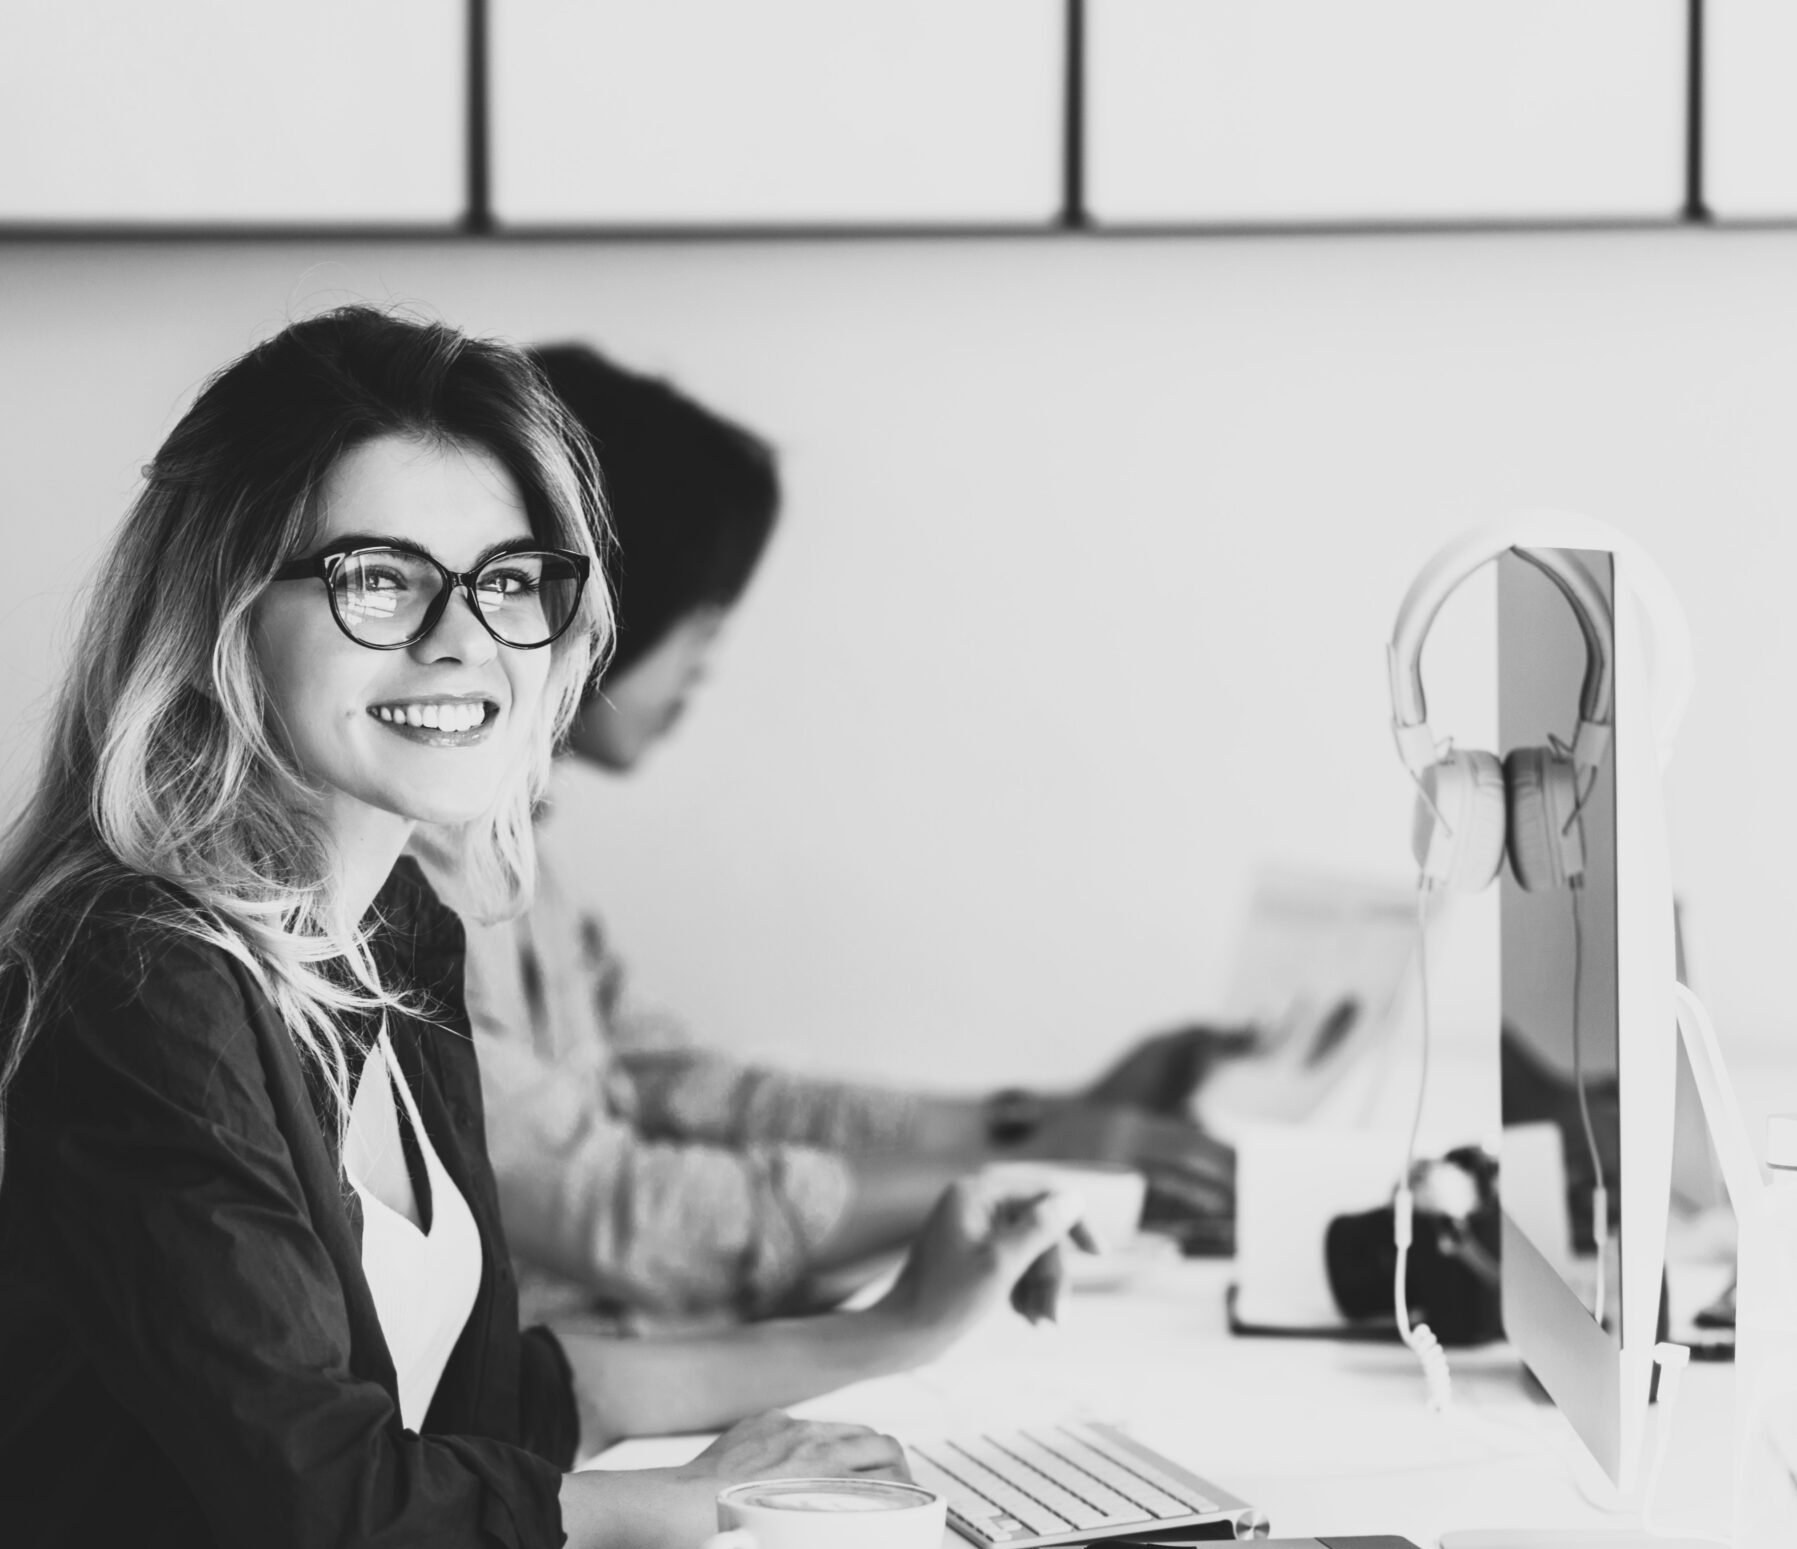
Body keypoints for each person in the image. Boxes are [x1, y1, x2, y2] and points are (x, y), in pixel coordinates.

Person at [0, 307, 1086, 1549]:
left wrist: (890, 1331)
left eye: (509, 580)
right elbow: (340, 1524)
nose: (465, 640)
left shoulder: (389, 931)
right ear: (224, 612)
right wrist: (718, 1498)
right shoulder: (140, 980)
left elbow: (474, 1407)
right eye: (381, 580)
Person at [466, 345, 1244, 1331]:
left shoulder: (520, 870)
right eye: (703, 612)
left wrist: (1037, 1122)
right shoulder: (405, 887)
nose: (710, 658)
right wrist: (1010, 1174)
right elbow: (625, 1209)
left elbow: (688, 1094)